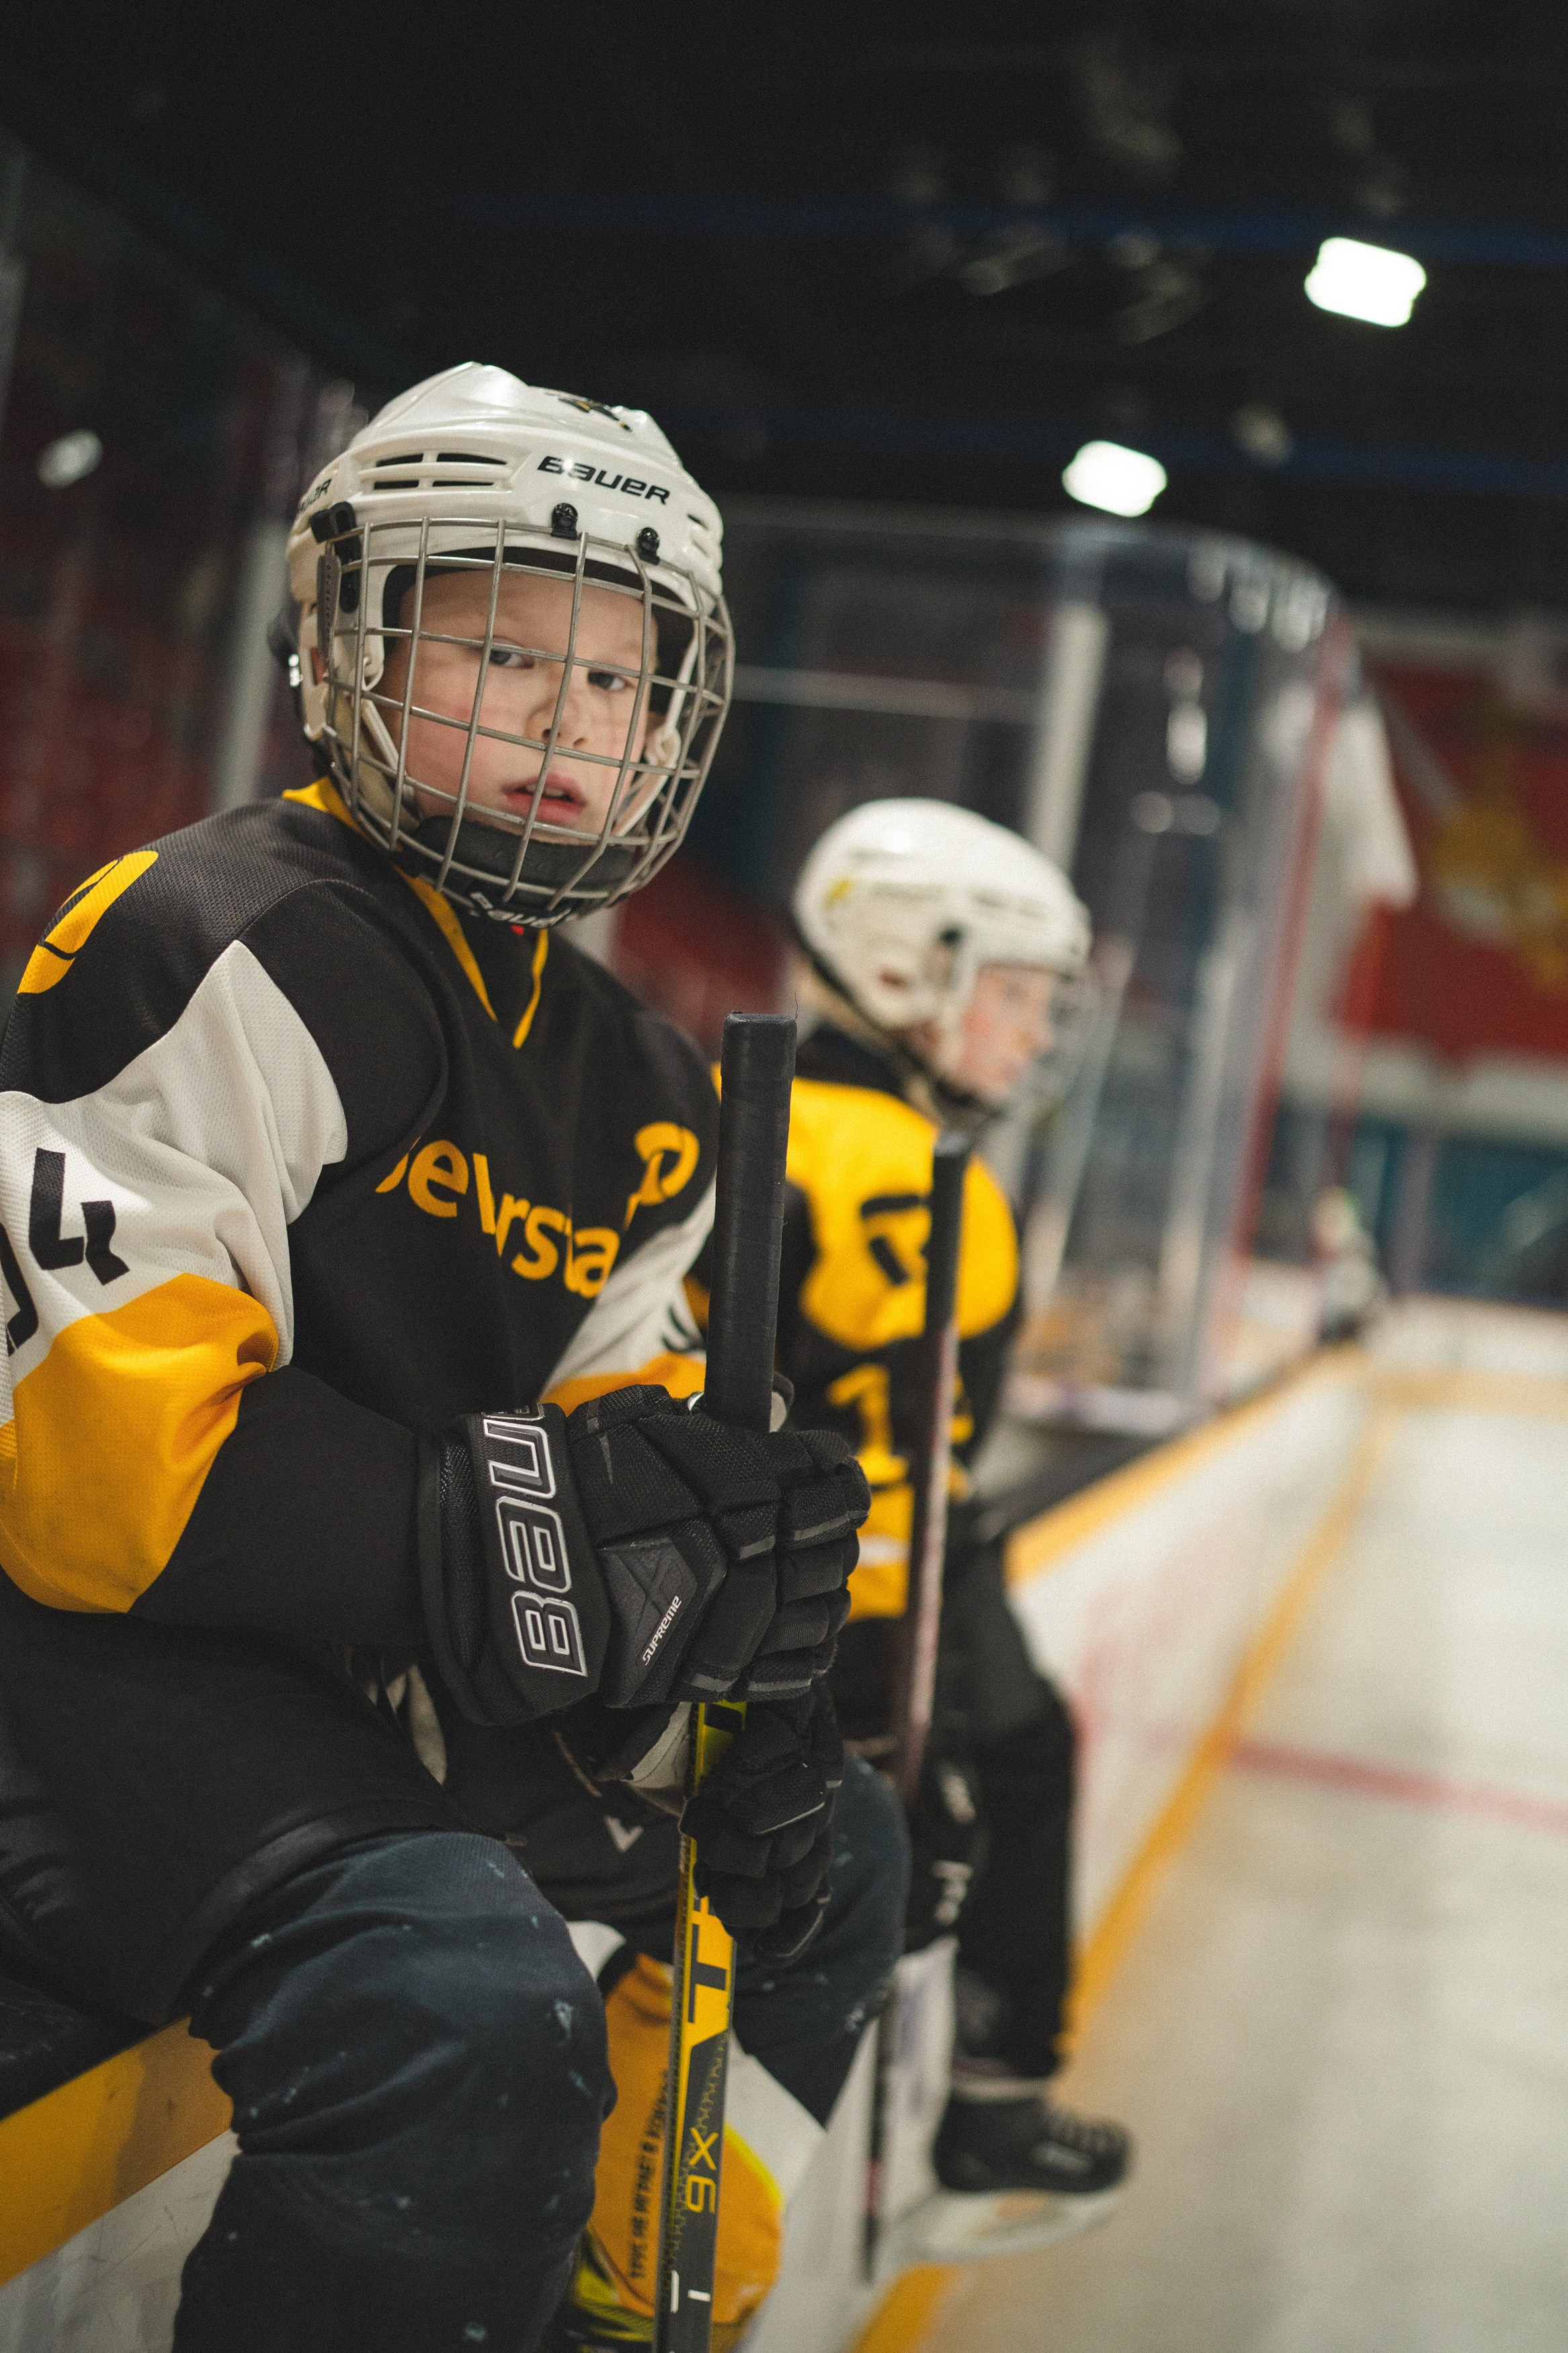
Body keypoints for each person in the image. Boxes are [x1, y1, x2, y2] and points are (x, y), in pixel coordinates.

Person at [0, 364, 906, 2353]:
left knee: (828, 1855)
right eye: (500, 651)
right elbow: (88, 1469)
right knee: (449, 2004)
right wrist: (548, 1542)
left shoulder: (651, 1086)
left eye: (610, 681)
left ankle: (618, 2305)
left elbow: (610, 1471)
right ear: (352, 642)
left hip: (386, 1664)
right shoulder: (214, 937)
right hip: (97, 1669)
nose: (561, 724)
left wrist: (727, 1633)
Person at [779, 798, 1131, 2208]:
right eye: (1015, 994)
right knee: (1028, 1751)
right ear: (902, 969)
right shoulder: (933, 1183)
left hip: (720, 1574)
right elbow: (927, 1468)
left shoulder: (719, 1100)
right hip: (873, 1589)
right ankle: (996, 2094)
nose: (1035, 1034)